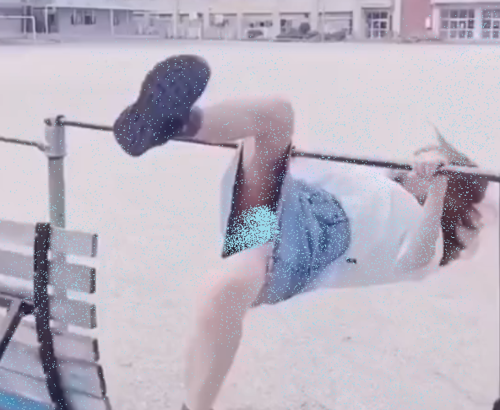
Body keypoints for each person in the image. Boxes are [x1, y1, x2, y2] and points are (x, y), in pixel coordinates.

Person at [113, 55, 489, 410]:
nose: (416, 164)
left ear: (451, 191)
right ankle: (172, 123)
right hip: (282, 204)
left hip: (302, 247)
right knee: (276, 113)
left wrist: (437, 189)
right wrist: (288, 154)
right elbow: (314, 174)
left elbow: (415, 257)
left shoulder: (427, 235)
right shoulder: (377, 182)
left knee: (225, 291)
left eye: (433, 164)